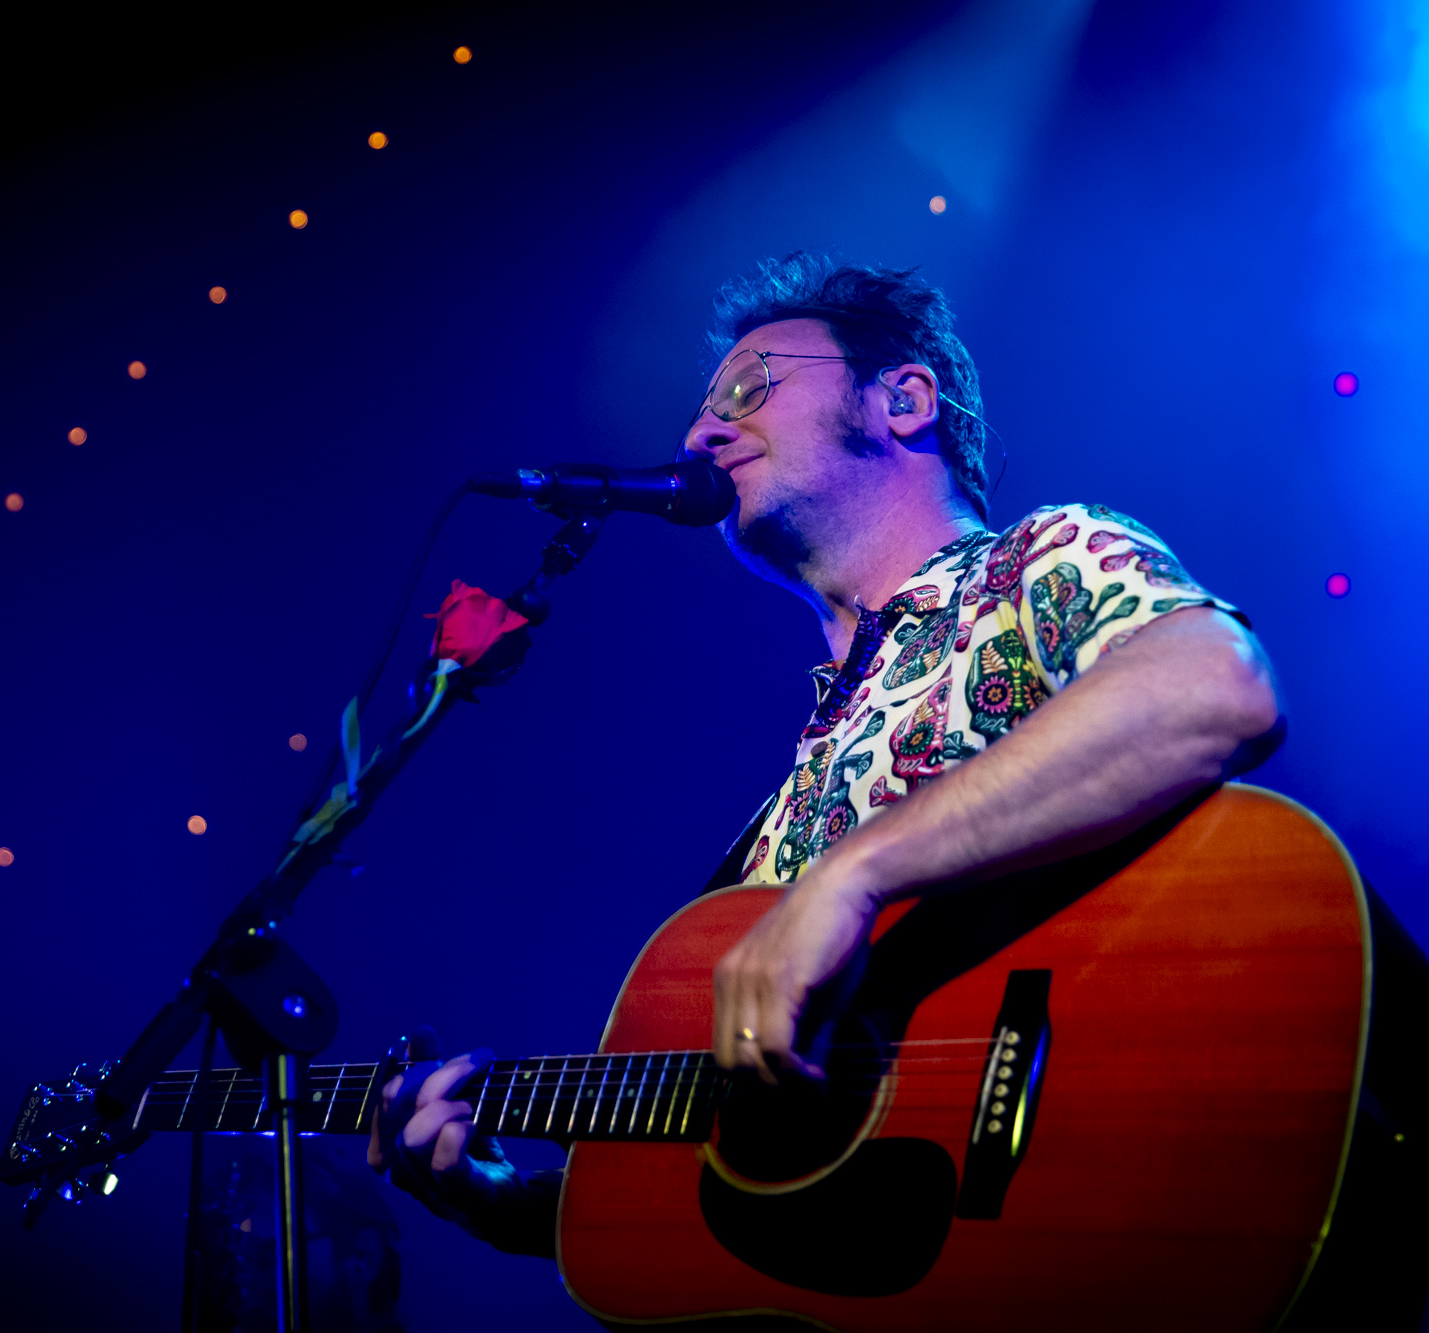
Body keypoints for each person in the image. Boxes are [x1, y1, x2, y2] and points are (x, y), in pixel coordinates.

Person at [368, 253, 1283, 1258]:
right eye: (702, 409)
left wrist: (851, 876)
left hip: (1131, 1180)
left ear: (903, 401)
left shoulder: (1037, 561)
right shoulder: (781, 814)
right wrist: (501, 1203)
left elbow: (1212, 685)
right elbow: (751, 1192)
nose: (698, 434)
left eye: (747, 389)